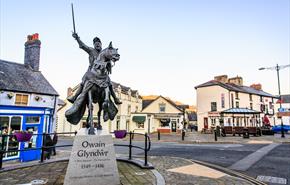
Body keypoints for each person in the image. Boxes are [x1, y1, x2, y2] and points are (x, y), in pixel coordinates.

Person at [67, 33, 122, 105]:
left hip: (102, 73)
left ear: (101, 45)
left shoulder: (105, 52)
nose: (97, 45)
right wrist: (77, 38)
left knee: (109, 83)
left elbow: (110, 59)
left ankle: (115, 98)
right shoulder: (91, 50)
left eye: (99, 44)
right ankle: (75, 97)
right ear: (94, 45)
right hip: (91, 71)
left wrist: (110, 63)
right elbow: (83, 46)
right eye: (96, 44)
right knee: (83, 82)